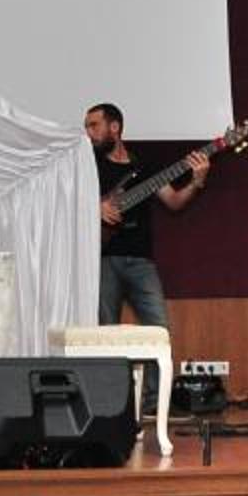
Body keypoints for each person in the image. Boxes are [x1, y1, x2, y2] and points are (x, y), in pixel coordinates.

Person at [87, 101, 207, 328]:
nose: (88, 133)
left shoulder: (144, 167)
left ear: (114, 127)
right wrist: (95, 207)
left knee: (159, 329)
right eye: (87, 126)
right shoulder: (87, 167)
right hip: (103, 261)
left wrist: (196, 182)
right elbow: (67, 202)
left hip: (141, 260)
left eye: (94, 125)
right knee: (106, 333)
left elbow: (174, 201)